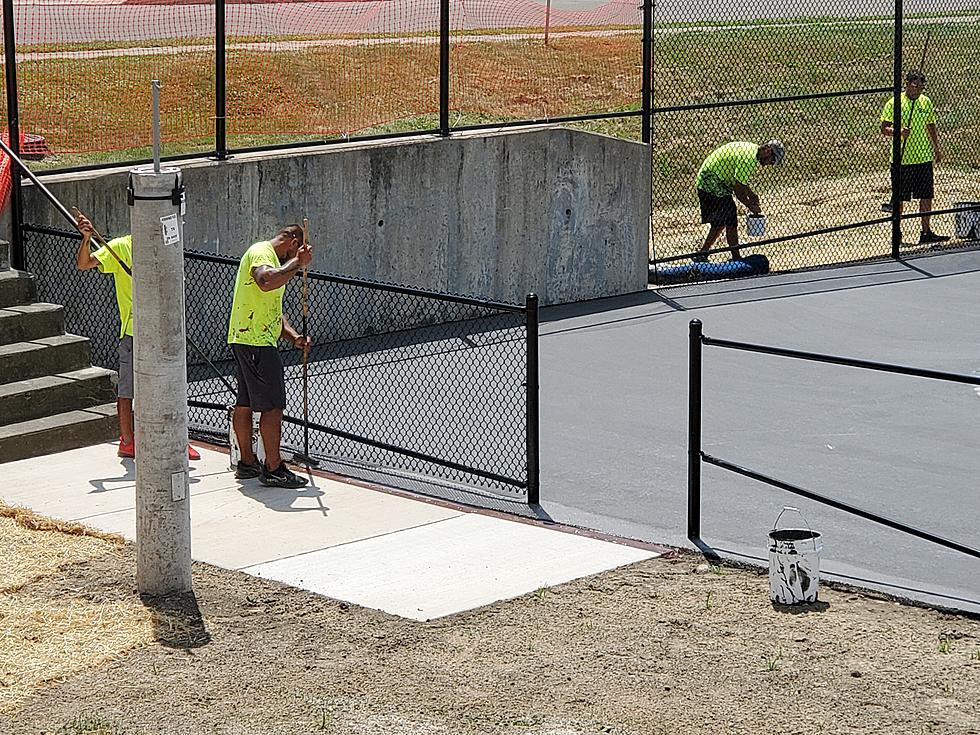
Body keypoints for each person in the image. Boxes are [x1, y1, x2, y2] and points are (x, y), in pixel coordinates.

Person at [74, 214, 200, 460]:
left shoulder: (166, 247)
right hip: (134, 331)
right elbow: (84, 263)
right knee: (127, 388)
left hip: (163, 330)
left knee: (171, 386)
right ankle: (127, 440)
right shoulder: (121, 246)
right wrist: (87, 238)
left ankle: (177, 439)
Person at [227, 224, 313, 489]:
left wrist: (293, 336)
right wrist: (297, 263)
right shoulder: (262, 253)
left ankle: (247, 462)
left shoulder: (272, 262)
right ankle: (273, 467)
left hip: (248, 338)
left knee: (245, 402)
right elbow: (265, 282)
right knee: (273, 407)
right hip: (256, 342)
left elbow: (273, 308)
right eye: (294, 251)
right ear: (293, 241)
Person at [880, 70, 949, 245]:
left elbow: (930, 125)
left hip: (923, 157)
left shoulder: (926, 102)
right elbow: (884, 128)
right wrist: (899, 131)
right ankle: (897, 233)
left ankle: (925, 232)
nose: (918, 89)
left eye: (921, 86)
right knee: (900, 198)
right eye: (915, 85)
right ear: (907, 84)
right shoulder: (894, 103)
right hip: (902, 159)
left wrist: (936, 148)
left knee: (926, 195)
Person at [693, 140, 784, 261]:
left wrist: (751, 194)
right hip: (710, 180)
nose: (770, 164)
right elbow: (738, 189)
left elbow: (740, 181)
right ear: (768, 150)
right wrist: (750, 206)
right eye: (772, 160)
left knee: (721, 221)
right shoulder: (748, 160)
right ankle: (736, 257)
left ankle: (702, 253)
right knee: (730, 217)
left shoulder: (751, 151)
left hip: (713, 179)